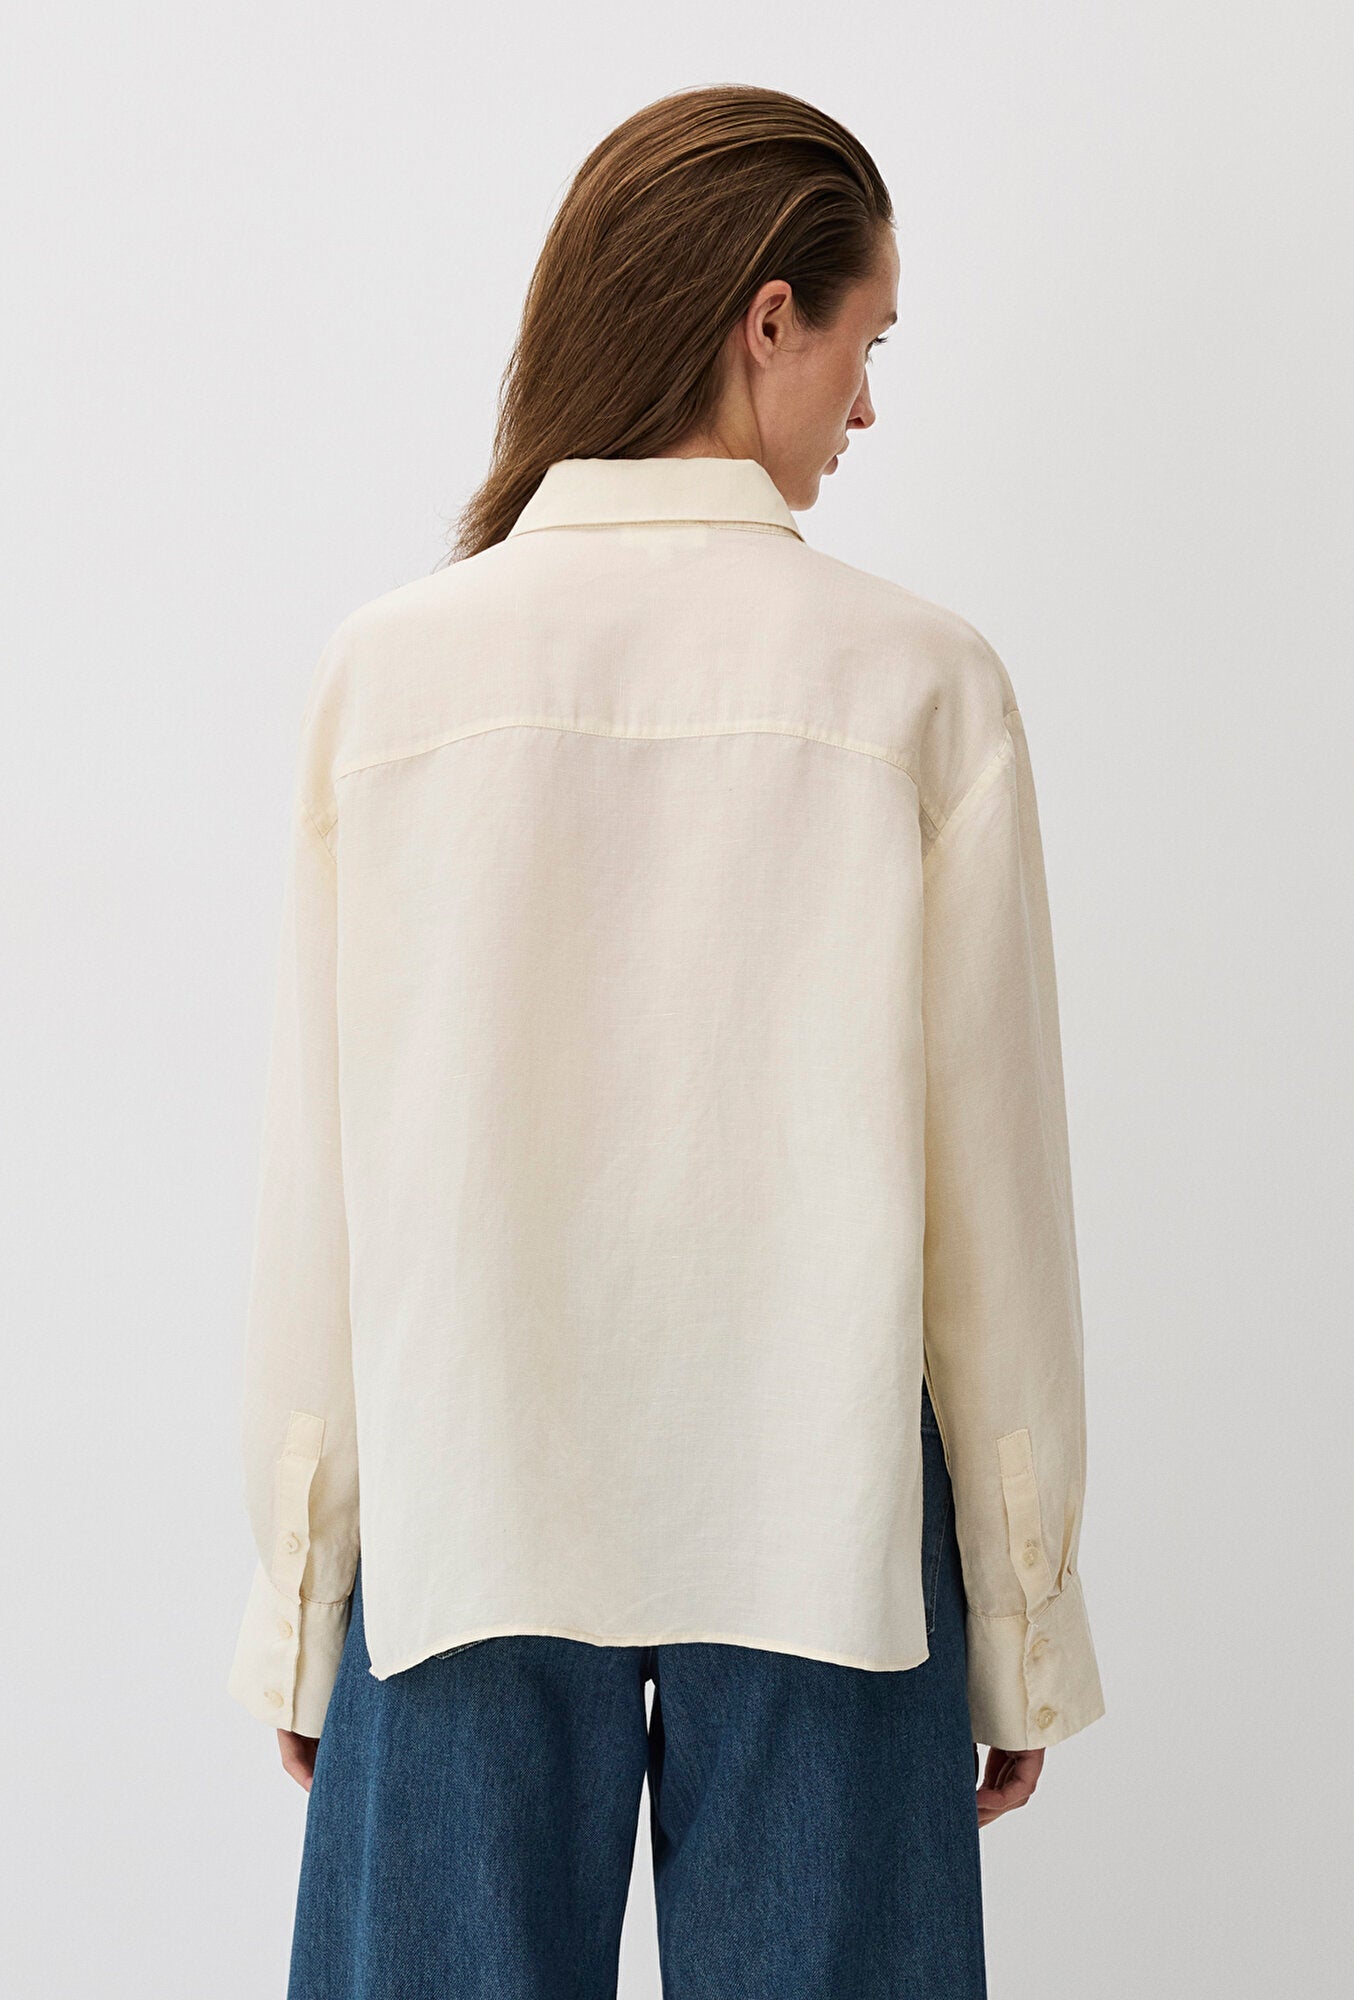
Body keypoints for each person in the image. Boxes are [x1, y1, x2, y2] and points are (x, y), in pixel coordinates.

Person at [228, 82, 1104, 1999]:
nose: (864, 408)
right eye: (866, 344)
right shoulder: (919, 681)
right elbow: (994, 1213)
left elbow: (324, 1197)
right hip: (828, 1517)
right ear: (766, 319)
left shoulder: (391, 673)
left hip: (463, 1505)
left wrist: (301, 1595)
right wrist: (1019, 1621)